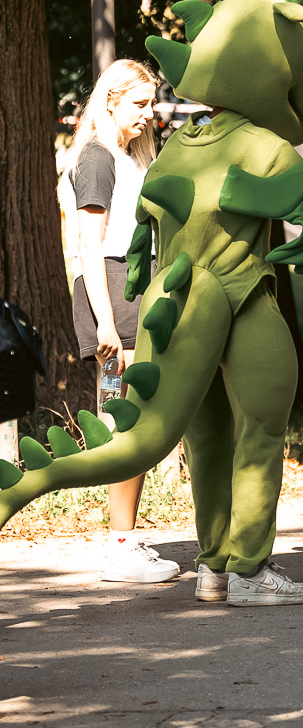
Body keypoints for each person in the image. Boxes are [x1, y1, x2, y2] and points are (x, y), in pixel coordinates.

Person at [60, 60, 179, 584]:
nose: (148, 114)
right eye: (139, 103)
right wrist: (107, 326)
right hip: (112, 296)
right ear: (110, 99)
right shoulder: (96, 158)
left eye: (151, 103)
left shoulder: (127, 157)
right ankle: (120, 546)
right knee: (122, 422)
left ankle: (126, 539)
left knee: (136, 420)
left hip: (132, 292)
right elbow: (88, 245)